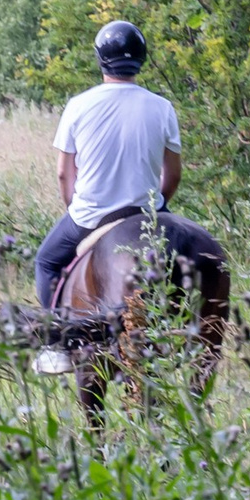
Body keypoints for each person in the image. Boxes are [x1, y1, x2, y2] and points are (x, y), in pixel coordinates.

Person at [33, 21, 181, 308]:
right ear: (142, 59)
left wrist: (75, 210)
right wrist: (155, 206)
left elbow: (64, 174)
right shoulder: (162, 107)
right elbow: (173, 176)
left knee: (46, 262)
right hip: (146, 212)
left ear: (100, 59)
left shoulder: (78, 105)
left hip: (91, 216)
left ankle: (56, 342)